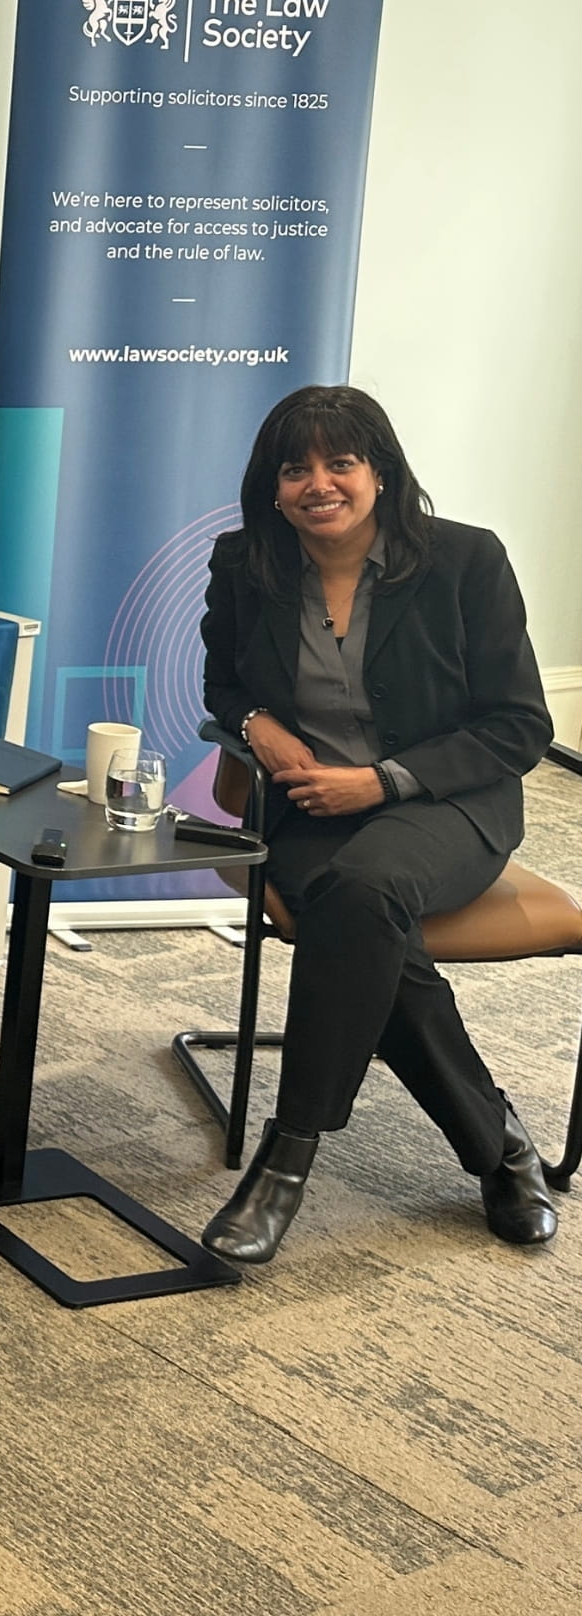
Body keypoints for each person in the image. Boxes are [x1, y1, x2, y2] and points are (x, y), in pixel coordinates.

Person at [198, 383, 557, 1264]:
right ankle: (499, 1143)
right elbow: (225, 685)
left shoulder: (467, 561)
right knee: (362, 917)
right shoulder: (245, 563)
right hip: (312, 805)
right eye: (296, 468)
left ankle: (287, 1158)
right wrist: (257, 728)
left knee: (362, 891)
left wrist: (384, 782)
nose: (319, 484)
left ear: (382, 474)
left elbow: (520, 726)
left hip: (448, 806)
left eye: (341, 463)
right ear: (273, 487)